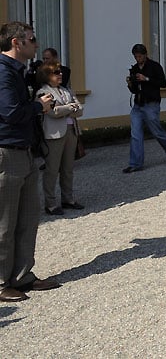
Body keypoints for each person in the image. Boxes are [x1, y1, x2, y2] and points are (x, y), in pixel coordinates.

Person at [0, 21, 60, 302]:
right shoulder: (3, 72)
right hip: (7, 152)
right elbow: (11, 112)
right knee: (5, 222)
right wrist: (40, 106)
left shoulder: (17, 71)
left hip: (23, 150)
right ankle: (2, 283)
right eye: (32, 39)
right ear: (16, 42)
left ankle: (22, 275)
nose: (36, 44)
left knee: (27, 218)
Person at [37, 61, 84, 215]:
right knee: (52, 169)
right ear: (48, 76)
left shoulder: (66, 90)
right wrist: (71, 107)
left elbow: (80, 110)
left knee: (68, 168)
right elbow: (52, 112)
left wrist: (67, 108)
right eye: (56, 72)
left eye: (60, 72)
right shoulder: (42, 92)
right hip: (53, 135)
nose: (60, 74)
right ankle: (50, 203)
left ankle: (68, 199)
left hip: (71, 131)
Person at [124, 43, 166, 173]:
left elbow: (163, 84)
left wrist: (146, 78)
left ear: (145, 55)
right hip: (138, 104)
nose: (138, 59)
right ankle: (135, 164)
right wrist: (130, 83)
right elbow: (134, 90)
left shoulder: (154, 66)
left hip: (151, 104)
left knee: (157, 132)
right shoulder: (135, 68)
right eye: (136, 56)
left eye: (140, 56)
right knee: (135, 134)